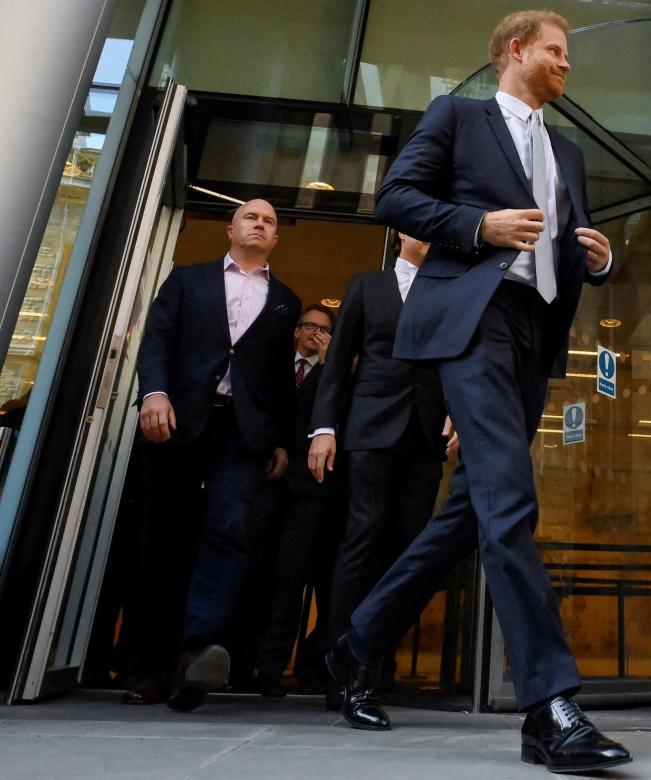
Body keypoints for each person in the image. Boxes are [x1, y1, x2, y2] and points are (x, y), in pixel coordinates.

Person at [323, 10, 631, 773]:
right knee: (508, 498)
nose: (566, 64)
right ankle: (548, 706)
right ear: (516, 51)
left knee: (470, 514)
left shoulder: (569, 150)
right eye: (556, 51)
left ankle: (357, 643)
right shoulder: (458, 118)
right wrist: (477, 225)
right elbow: (395, 197)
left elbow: (569, 237)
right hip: (473, 320)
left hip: (534, 331)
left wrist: (597, 258)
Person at [128, 198, 301, 711]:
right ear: (231, 229)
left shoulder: (286, 300)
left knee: (229, 532)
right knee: (162, 540)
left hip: (241, 435)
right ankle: (146, 669)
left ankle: (196, 655)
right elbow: (157, 339)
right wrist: (154, 393)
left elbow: (277, 382)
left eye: (269, 222)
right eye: (252, 217)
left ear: (274, 239)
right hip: (178, 423)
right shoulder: (187, 279)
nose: (261, 225)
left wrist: (282, 441)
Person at [307, 233, 451, 708]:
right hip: (369, 428)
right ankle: (338, 667)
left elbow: (458, 361)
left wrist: (459, 413)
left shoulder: (450, 289)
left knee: (407, 546)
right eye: (418, 227)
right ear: (400, 236)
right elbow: (337, 365)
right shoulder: (368, 286)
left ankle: (375, 662)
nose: (427, 236)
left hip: (426, 435)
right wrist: (323, 427)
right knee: (361, 536)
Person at [247, 304, 342, 697]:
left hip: (311, 492)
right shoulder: (274, 367)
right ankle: (252, 664)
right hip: (268, 483)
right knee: (264, 578)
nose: (315, 334)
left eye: (324, 330)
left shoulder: (331, 374)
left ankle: (289, 669)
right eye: (309, 326)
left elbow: (324, 411)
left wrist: (326, 365)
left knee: (299, 580)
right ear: (295, 331)